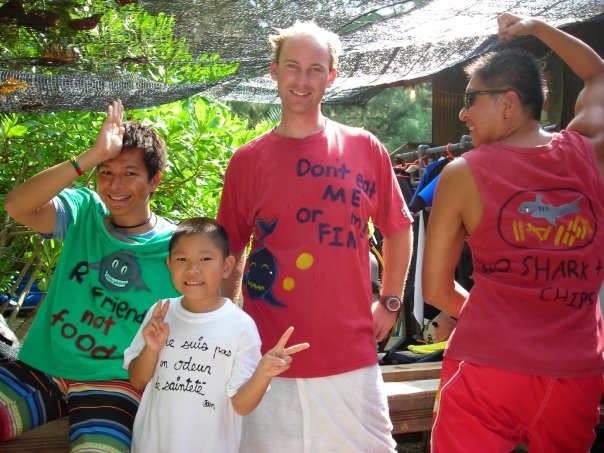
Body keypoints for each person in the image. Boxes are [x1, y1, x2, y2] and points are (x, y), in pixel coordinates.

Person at [217, 21, 414, 452]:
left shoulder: (364, 147)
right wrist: (226, 323)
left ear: (331, 77)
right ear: (274, 71)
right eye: (292, 66)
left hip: (349, 354)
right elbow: (230, 248)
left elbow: (398, 228)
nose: (302, 80)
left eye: (314, 69)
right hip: (267, 355)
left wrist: (391, 301)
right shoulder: (247, 161)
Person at [422, 13, 604, 453]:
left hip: (486, 370)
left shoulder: (461, 173)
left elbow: (435, 288)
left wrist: (500, 318)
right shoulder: (590, 152)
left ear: (507, 103)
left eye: (471, 98)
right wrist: (537, 27)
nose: (463, 113)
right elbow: (598, 74)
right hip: (575, 375)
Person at [0, 100, 180, 452]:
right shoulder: (84, 212)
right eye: (106, 172)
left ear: (154, 180)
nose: (115, 185)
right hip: (44, 367)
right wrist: (92, 155)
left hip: (115, 383)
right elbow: (17, 206)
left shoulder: (177, 248)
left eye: (130, 173)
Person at [124, 217, 309, 453]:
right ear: (169, 264)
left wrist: (264, 373)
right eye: (182, 259)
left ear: (227, 266)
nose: (193, 269)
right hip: (152, 445)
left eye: (205, 259)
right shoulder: (160, 313)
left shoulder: (240, 326)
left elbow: (241, 405)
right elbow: (137, 380)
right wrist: (151, 349)